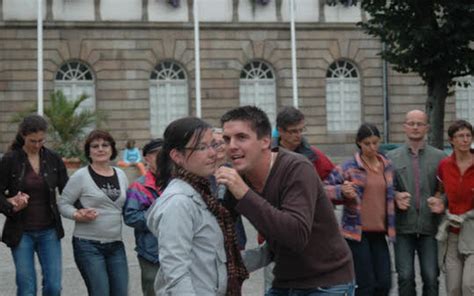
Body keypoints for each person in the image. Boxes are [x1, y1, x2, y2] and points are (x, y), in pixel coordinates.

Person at [216, 106, 355, 295]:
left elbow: (296, 235)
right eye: (226, 139)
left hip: (326, 283)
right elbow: (221, 226)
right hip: (284, 280)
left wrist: (245, 194)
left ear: (265, 141)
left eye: (241, 137)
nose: (231, 145)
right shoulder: (241, 176)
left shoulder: (297, 168)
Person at [146, 117, 248, 295]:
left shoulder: (204, 193)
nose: (212, 153)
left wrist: (268, 252)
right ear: (177, 156)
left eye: (213, 145)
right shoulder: (179, 203)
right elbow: (176, 273)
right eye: (201, 147)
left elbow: (218, 260)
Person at [0, 114, 68, 296]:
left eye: (41, 140)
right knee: (27, 288)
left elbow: (68, 191)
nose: (37, 145)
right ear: (23, 135)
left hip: (50, 230)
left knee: (54, 286)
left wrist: (81, 209)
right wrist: (11, 205)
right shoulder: (10, 159)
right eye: (32, 141)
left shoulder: (53, 158)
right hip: (21, 232)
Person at [324, 123, 395, 296]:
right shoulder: (348, 167)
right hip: (356, 233)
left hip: (380, 232)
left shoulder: (387, 166)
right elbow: (323, 189)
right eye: (367, 144)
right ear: (359, 143)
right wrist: (341, 191)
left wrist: (399, 197)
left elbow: (390, 193)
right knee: (366, 285)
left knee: (384, 283)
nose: (372, 147)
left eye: (375, 143)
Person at [58, 130, 129, 296]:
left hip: (116, 245)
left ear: (112, 149)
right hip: (88, 245)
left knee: (121, 292)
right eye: (95, 146)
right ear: (88, 151)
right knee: (100, 292)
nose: (100, 149)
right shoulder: (81, 176)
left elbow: (128, 206)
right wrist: (77, 214)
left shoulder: (121, 174)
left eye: (105, 145)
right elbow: (63, 204)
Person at [386, 110, 445, 296]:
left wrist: (441, 200)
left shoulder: (440, 157)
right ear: (404, 127)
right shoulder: (391, 158)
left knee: (431, 276)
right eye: (411, 123)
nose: (415, 127)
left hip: (430, 227)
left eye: (420, 123)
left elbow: (447, 190)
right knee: (404, 276)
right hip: (403, 227)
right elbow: (382, 189)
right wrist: (395, 196)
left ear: (427, 127)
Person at [437, 119, 474, 296]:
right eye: (460, 136)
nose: (465, 140)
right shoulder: (444, 165)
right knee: (453, 288)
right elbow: (440, 193)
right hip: (452, 232)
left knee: (469, 286)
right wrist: (437, 202)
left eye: (468, 135)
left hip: (473, 231)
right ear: (451, 140)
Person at [123, 138, 164, 296]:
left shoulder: (179, 183)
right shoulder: (138, 187)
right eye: (157, 155)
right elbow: (131, 216)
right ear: (147, 159)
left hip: (180, 251)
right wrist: (160, 218)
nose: (162, 158)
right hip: (151, 254)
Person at [275, 106, 335, 179]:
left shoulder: (315, 155)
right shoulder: (268, 154)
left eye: (301, 130)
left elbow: (334, 179)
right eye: (293, 131)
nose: (299, 135)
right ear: (280, 131)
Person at [212, 127, 247, 250]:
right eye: (215, 144)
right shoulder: (203, 175)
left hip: (236, 237)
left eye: (223, 143)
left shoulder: (237, 171)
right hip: (214, 240)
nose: (221, 147)